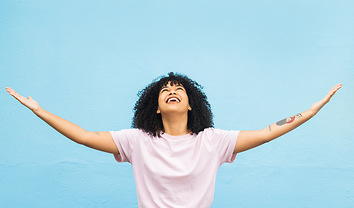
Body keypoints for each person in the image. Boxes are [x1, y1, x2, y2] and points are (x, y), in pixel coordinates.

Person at [5, 72, 342, 208]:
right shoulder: (136, 140)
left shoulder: (213, 141)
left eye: (178, 88)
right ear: (155, 106)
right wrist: (40, 110)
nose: (171, 91)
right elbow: (83, 135)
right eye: (165, 89)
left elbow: (269, 130)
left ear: (191, 102)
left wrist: (308, 113)